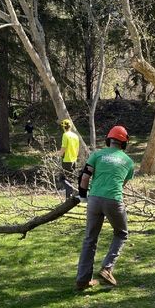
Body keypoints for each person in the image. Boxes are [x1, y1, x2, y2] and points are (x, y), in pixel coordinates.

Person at [75, 125, 135, 290]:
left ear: (109, 139)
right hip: (114, 201)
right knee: (121, 233)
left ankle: (82, 280)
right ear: (124, 143)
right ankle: (107, 268)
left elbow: (85, 178)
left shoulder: (97, 155)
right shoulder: (129, 162)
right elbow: (122, 184)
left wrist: (82, 196)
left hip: (94, 200)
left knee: (90, 238)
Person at [57, 118, 80, 198]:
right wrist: (75, 158)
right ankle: (68, 198)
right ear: (70, 126)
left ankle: (71, 190)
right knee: (69, 180)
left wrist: (59, 155)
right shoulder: (75, 136)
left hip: (66, 160)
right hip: (74, 160)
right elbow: (77, 149)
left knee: (62, 179)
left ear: (63, 127)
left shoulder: (65, 135)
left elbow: (64, 147)